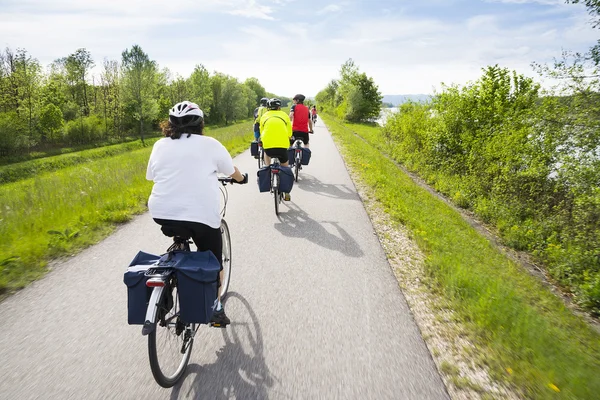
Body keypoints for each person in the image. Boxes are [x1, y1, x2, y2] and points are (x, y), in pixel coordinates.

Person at [146, 101, 247, 327]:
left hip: (161, 213)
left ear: (170, 124)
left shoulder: (159, 145)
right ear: (200, 123)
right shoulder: (210, 144)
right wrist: (242, 178)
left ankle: (172, 277)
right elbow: (232, 172)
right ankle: (215, 308)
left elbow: (151, 176)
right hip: (202, 217)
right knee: (213, 261)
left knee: (181, 226)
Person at [259, 98, 293, 201]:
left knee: (266, 152)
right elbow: (289, 133)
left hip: (269, 146)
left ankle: (268, 167)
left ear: (268, 108)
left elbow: (262, 132)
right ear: (279, 107)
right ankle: (286, 192)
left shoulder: (264, 116)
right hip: (282, 146)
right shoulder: (284, 115)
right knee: (285, 167)